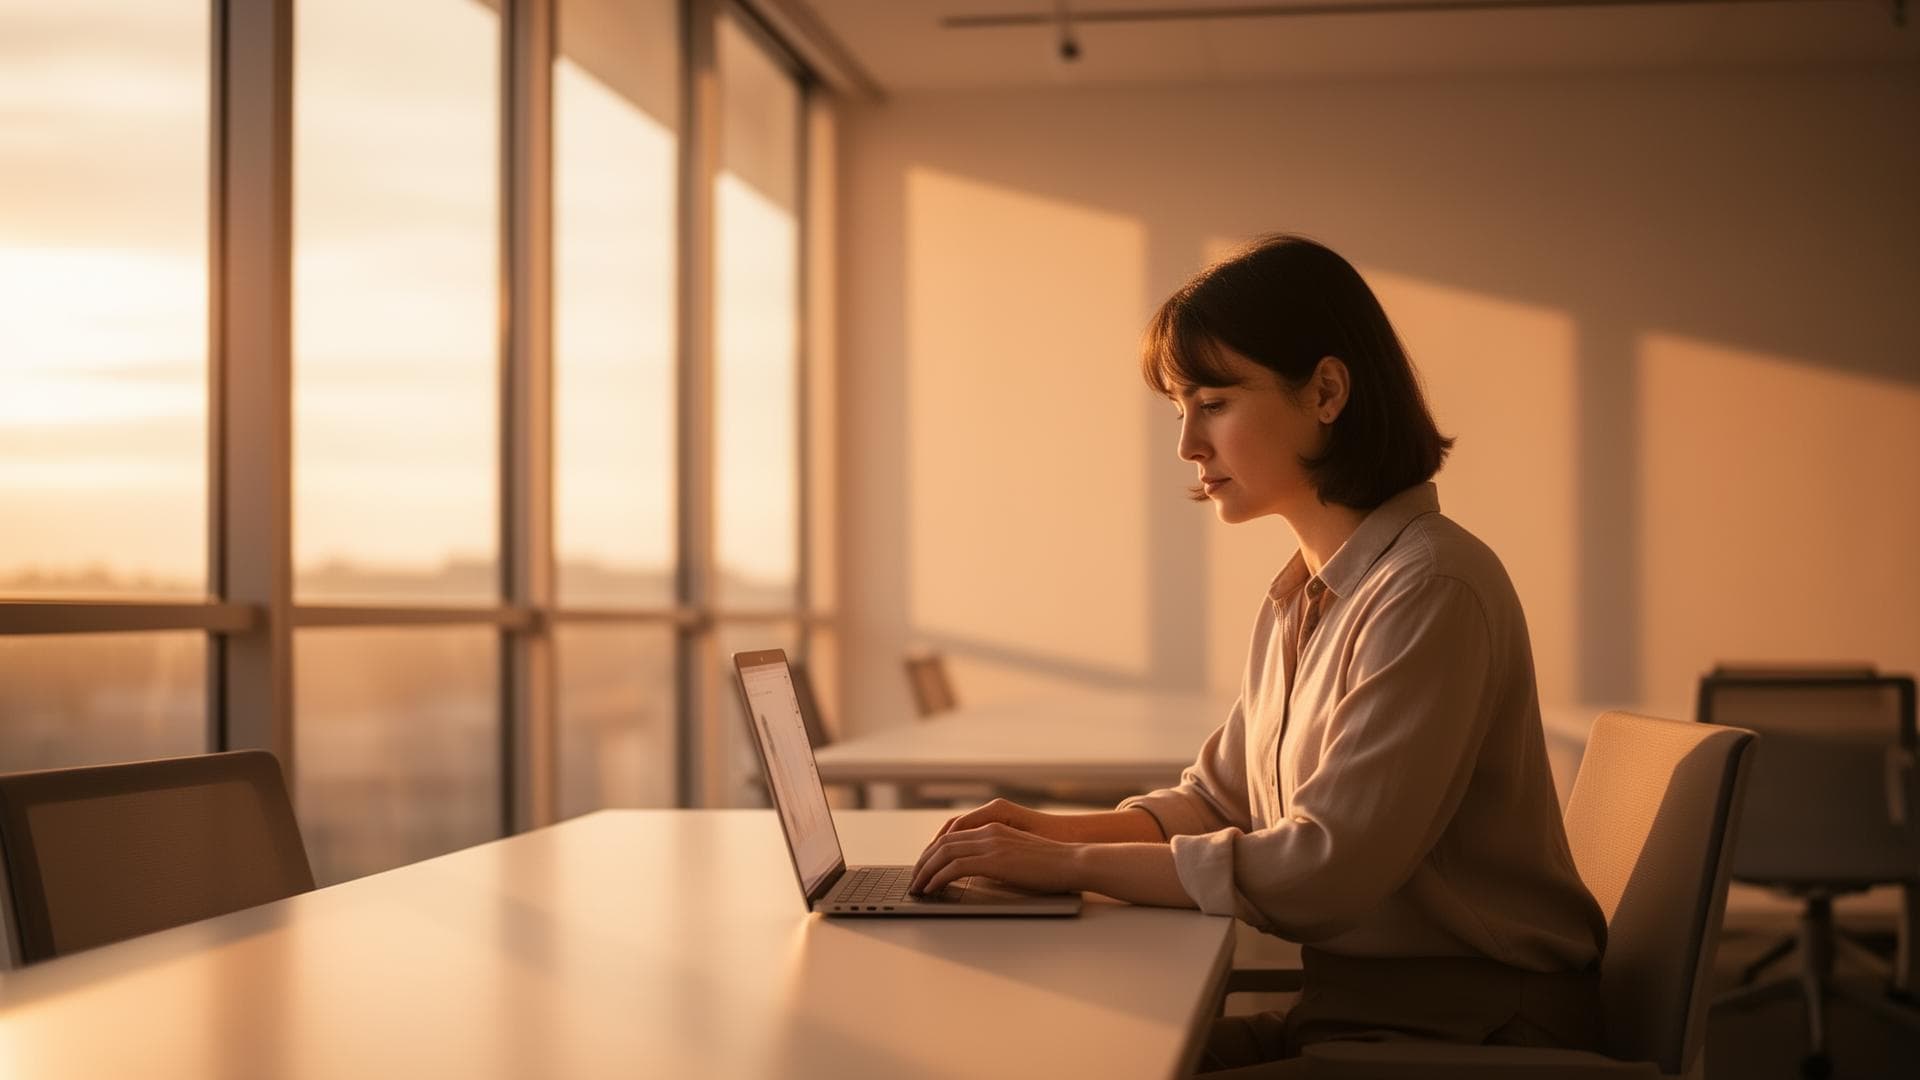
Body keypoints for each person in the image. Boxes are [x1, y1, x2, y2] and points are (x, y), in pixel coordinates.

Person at [908, 234, 1607, 1071]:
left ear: (1326, 392)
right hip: (1358, 1016)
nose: (1187, 447)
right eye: (1180, 410)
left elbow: (1325, 870)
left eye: (1214, 402)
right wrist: (1046, 838)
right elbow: (1219, 798)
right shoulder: (1307, 594)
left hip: (1469, 1034)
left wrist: (1069, 865)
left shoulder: (1431, 586)